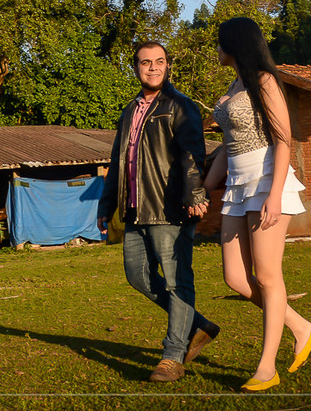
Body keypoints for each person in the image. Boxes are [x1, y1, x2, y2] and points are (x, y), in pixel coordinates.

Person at [202, 17, 311, 392]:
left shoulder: (266, 81)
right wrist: (206, 185)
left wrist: (274, 193)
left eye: (220, 43)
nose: (217, 49)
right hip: (238, 185)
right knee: (236, 278)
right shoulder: (234, 83)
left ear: (235, 44)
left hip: (268, 182)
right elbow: (228, 144)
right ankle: (302, 327)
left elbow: (283, 139)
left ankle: (266, 367)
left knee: (268, 277)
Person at [97, 40, 221, 383]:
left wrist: (195, 192)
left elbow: (192, 154)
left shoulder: (180, 106)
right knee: (137, 275)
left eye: (159, 61)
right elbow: (118, 162)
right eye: (145, 62)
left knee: (178, 283)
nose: (153, 67)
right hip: (136, 209)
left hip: (170, 208)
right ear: (135, 67)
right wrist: (107, 205)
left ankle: (172, 356)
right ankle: (197, 324)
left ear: (168, 66)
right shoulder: (129, 110)